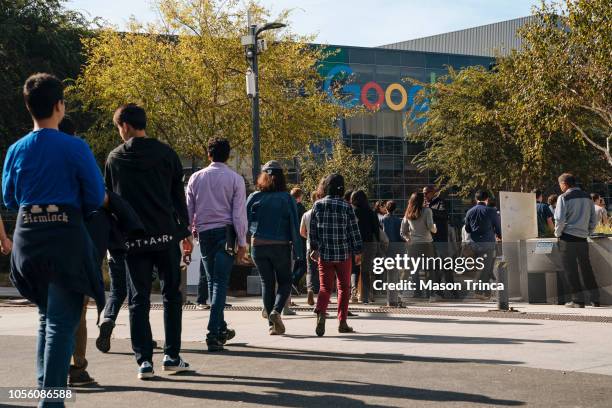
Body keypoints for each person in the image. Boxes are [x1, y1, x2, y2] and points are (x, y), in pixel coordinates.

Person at [3, 73, 105, 406]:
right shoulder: (75, 147)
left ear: (28, 106)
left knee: (48, 318)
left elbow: (9, 197)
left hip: (27, 241)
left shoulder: (16, 149)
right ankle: (51, 400)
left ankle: (44, 389)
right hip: (64, 240)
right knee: (62, 321)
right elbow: (95, 196)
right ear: (60, 105)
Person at [105, 103, 191, 379]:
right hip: (166, 234)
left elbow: (110, 200)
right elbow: (178, 195)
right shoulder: (166, 153)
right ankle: (172, 355)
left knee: (138, 299)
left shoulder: (115, 159)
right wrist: (185, 231)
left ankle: (144, 360)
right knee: (171, 296)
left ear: (125, 126)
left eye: (119, 127)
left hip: (133, 238)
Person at [185, 137, 247, 351]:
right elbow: (238, 214)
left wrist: (189, 233)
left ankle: (221, 327)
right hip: (225, 233)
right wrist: (242, 241)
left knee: (212, 281)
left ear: (208, 154)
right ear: (228, 155)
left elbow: (188, 209)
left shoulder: (195, 177)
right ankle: (213, 332)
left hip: (204, 233)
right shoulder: (235, 179)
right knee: (220, 281)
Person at [246, 161, 302, 335]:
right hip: (280, 246)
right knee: (285, 281)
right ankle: (277, 311)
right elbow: (294, 224)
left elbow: (244, 223)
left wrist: (244, 245)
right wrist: (298, 251)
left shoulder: (254, 197)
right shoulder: (287, 198)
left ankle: (271, 326)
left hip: (258, 246)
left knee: (266, 283)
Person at [310, 174, 363, 336]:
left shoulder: (318, 205)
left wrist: (314, 248)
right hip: (343, 254)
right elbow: (354, 231)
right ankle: (342, 322)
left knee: (325, 287)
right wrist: (358, 251)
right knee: (344, 288)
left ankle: (320, 313)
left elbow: (313, 230)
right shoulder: (347, 207)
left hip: (325, 254)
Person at [555, 173, 599, 308]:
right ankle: (595, 299)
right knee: (586, 267)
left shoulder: (563, 197)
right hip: (582, 238)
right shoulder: (587, 197)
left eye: (560, 184)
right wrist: (588, 232)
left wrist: (558, 233)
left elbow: (560, 219)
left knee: (571, 270)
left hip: (567, 238)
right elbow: (593, 218)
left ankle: (578, 300)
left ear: (564, 184)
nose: (560, 187)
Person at [464, 190, 502, 300]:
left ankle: (486, 292)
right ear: (487, 199)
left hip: (474, 245)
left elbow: (467, 229)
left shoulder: (469, 212)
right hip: (488, 245)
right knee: (485, 269)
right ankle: (479, 291)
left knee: (484, 269)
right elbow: (498, 226)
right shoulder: (491, 211)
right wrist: (500, 235)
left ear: (476, 200)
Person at [401, 192, 438, 302]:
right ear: (422, 200)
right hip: (427, 243)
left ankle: (406, 292)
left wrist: (409, 240)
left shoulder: (408, 213)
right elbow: (431, 227)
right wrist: (435, 228)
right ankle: (430, 294)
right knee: (429, 269)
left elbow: (403, 231)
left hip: (414, 244)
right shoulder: (427, 211)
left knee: (411, 269)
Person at [423, 186, 455, 295]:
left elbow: (444, 215)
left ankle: (452, 289)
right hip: (430, 239)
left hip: (440, 238)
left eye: (426, 193)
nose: (424, 195)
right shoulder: (426, 204)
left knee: (446, 264)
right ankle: (437, 290)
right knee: (434, 266)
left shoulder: (440, 202)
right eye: (423, 193)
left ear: (432, 192)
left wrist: (429, 210)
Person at [350, 190, 380, 304]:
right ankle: (365, 296)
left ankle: (353, 293)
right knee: (366, 270)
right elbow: (376, 230)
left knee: (354, 269)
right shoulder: (371, 212)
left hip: (354, 244)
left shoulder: (351, 211)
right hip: (368, 244)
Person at [287, 187, 307, 314]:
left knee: (291, 266)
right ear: (299, 197)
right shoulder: (300, 208)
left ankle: (287, 298)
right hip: (299, 240)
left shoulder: (286, 204)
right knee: (302, 264)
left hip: (285, 240)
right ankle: (293, 281)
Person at [381, 200, 403, 306]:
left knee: (388, 272)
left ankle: (390, 295)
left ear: (386, 208)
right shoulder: (398, 220)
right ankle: (395, 295)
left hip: (386, 248)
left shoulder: (383, 219)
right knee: (395, 272)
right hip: (396, 248)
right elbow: (400, 235)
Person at [300, 191, 320, 306]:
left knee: (310, 271)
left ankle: (310, 290)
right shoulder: (322, 213)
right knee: (323, 272)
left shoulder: (306, 214)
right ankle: (322, 296)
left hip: (309, 246)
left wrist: (308, 237)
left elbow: (301, 232)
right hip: (322, 247)